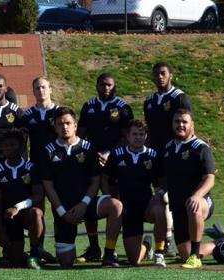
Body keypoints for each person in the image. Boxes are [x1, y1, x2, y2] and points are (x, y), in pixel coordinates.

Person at [41, 107, 123, 267]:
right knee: (66, 262)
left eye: (68, 123)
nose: (64, 127)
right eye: (60, 124)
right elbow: (48, 186)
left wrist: (84, 204)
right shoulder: (48, 151)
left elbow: (95, 180)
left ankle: (109, 254)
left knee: (116, 206)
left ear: (75, 125)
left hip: (86, 203)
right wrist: (62, 212)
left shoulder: (88, 148)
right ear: (55, 127)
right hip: (63, 209)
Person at [75, 73, 133, 262]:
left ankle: (111, 248)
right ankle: (93, 247)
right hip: (91, 162)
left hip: (113, 162)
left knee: (113, 202)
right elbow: (80, 134)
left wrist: (109, 154)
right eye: (102, 85)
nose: (106, 88)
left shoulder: (123, 107)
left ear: (114, 86)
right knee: (89, 201)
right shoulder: (89, 105)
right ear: (97, 86)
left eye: (109, 85)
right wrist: (91, 154)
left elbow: (127, 137)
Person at [162, 109, 223, 269]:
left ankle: (195, 257)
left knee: (193, 205)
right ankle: (222, 241)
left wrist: (197, 196)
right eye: (177, 122)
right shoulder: (168, 148)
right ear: (172, 124)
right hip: (178, 205)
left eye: (184, 122)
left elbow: (210, 179)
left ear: (192, 125)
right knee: (184, 254)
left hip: (202, 202)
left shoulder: (201, 148)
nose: (180, 125)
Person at [102, 120, 168, 266]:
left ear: (146, 136)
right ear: (128, 136)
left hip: (147, 206)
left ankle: (160, 253)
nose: (138, 137)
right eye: (135, 134)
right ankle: (147, 245)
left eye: (141, 134)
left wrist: (160, 194)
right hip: (126, 209)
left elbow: (163, 182)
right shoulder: (117, 154)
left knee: (160, 209)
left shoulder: (154, 155)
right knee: (134, 260)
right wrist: (108, 197)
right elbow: (105, 178)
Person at [143, 62, 193, 256]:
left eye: (163, 73)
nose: (160, 77)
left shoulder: (179, 98)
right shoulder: (150, 101)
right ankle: (165, 239)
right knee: (161, 196)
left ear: (170, 75)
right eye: (156, 74)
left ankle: (175, 239)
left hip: (175, 155)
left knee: (173, 196)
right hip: (156, 157)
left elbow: (188, 125)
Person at [17, 76, 59, 263]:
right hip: (36, 168)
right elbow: (21, 143)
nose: (41, 91)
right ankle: (37, 248)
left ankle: (63, 245)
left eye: (43, 87)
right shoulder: (28, 115)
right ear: (33, 91)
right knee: (38, 209)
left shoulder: (60, 113)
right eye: (37, 88)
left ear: (50, 89)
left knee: (59, 208)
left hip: (58, 168)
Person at [0, 129, 45, 269]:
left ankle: (34, 253)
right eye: (6, 145)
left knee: (36, 213)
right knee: (16, 262)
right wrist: (1, 231)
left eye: (13, 145)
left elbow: (38, 195)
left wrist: (18, 207)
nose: (9, 148)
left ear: (21, 147)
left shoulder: (32, 168)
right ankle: (24, 255)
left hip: (26, 214)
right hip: (8, 218)